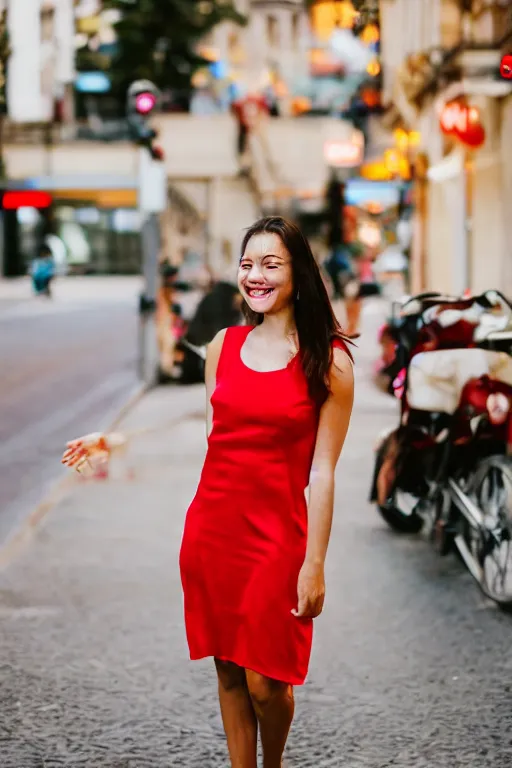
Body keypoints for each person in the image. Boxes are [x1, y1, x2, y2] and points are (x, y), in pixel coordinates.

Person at [61, 216, 355, 768]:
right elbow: (213, 426)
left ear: (299, 274)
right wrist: (116, 440)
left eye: (271, 264)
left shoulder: (331, 362)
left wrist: (314, 563)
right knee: (228, 670)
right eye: (248, 265)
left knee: (268, 684)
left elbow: (324, 472)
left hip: (277, 538)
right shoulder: (225, 344)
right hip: (213, 529)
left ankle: (274, 763)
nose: (256, 276)